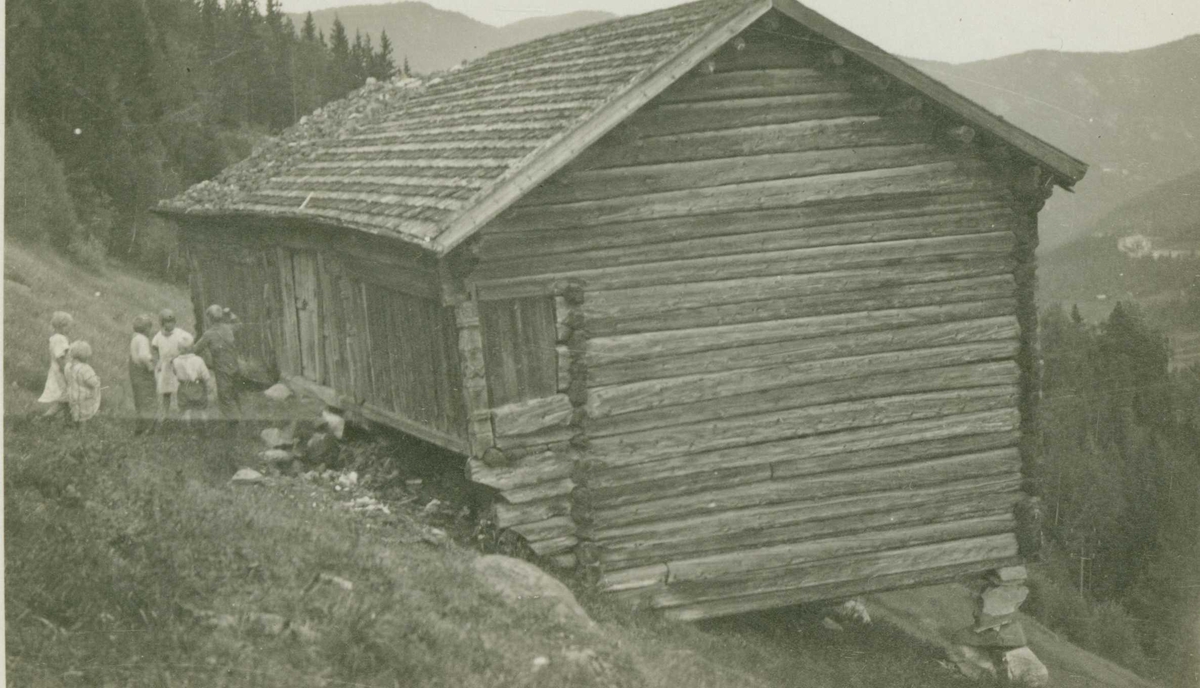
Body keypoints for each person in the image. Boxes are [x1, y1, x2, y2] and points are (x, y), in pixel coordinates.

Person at [194, 304, 241, 419]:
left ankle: (236, 424)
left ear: (209, 319)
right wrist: (230, 314)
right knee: (234, 395)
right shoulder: (229, 328)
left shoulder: (208, 335)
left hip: (222, 370)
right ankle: (240, 419)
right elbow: (239, 324)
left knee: (225, 398)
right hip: (235, 367)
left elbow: (195, 350)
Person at [150, 308, 194, 425]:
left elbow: (190, 341)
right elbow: (154, 346)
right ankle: (164, 416)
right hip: (165, 367)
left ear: (175, 322)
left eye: (171, 322)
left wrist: (183, 353)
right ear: (162, 323)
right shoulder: (159, 335)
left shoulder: (180, 333)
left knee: (182, 390)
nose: (169, 325)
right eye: (166, 323)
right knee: (165, 392)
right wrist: (158, 361)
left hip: (178, 365)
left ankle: (185, 417)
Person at [38, 311, 73, 422]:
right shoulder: (59, 339)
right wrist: (66, 371)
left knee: (68, 398)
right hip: (61, 371)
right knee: (65, 399)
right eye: (68, 326)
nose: (70, 329)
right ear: (61, 326)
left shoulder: (56, 338)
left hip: (60, 369)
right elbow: (60, 357)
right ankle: (45, 418)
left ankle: (68, 421)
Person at [170, 343, 216, 422]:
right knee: (202, 409)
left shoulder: (175, 361)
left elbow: (175, 372)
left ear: (179, 350)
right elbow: (206, 375)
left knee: (186, 410)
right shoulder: (198, 359)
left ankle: (188, 428)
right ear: (191, 349)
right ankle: (206, 426)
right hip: (197, 386)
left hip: (183, 386)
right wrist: (209, 385)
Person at [128, 314, 157, 434]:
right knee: (148, 399)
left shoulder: (134, 338)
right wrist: (150, 366)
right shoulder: (143, 339)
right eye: (150, 328)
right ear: (146, 329)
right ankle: (149, 427)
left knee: (139, 399)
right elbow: (143, 356)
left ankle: (140, 425)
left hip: (135, 373)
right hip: (143, 372)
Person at [65, 341, 102, 426]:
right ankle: (82, 433)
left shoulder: (68, 366)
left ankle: (75, 429)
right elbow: (93, 382)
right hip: (85, 397)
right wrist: (97, 380)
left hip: (73, 396)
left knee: (76, 413)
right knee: (84, 416)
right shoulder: (85, 368)